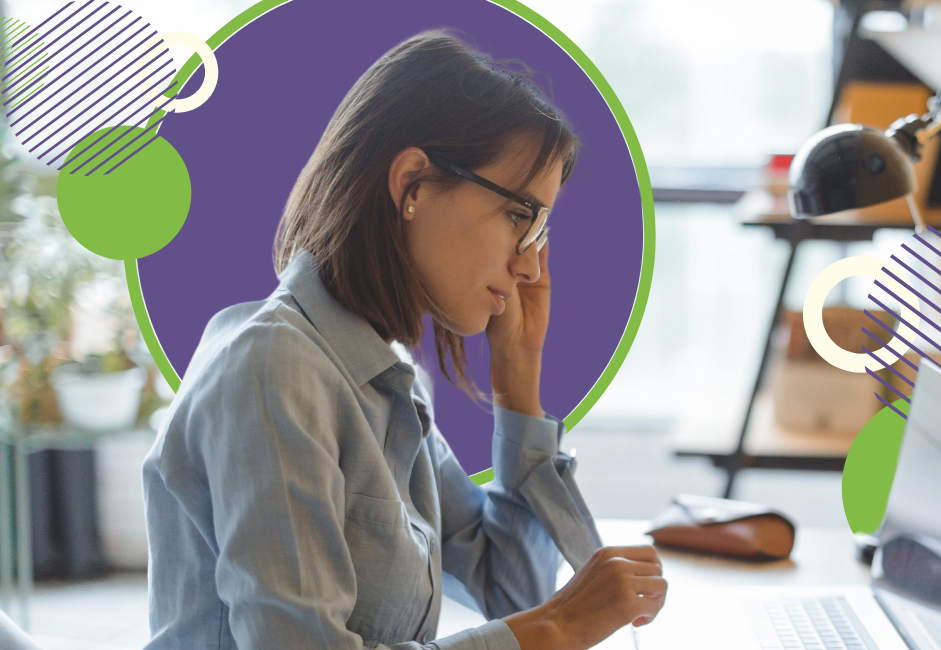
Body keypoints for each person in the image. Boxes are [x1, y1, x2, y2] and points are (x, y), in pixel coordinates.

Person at [141, 31, 666, 650]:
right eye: (519, 217)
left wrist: (518, 380)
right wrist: (557, 626)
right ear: (414, 184)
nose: (530, 266)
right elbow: (539, 620)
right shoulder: (274, 368)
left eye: (540, 230)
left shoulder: (383, 372)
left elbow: (515, 590)